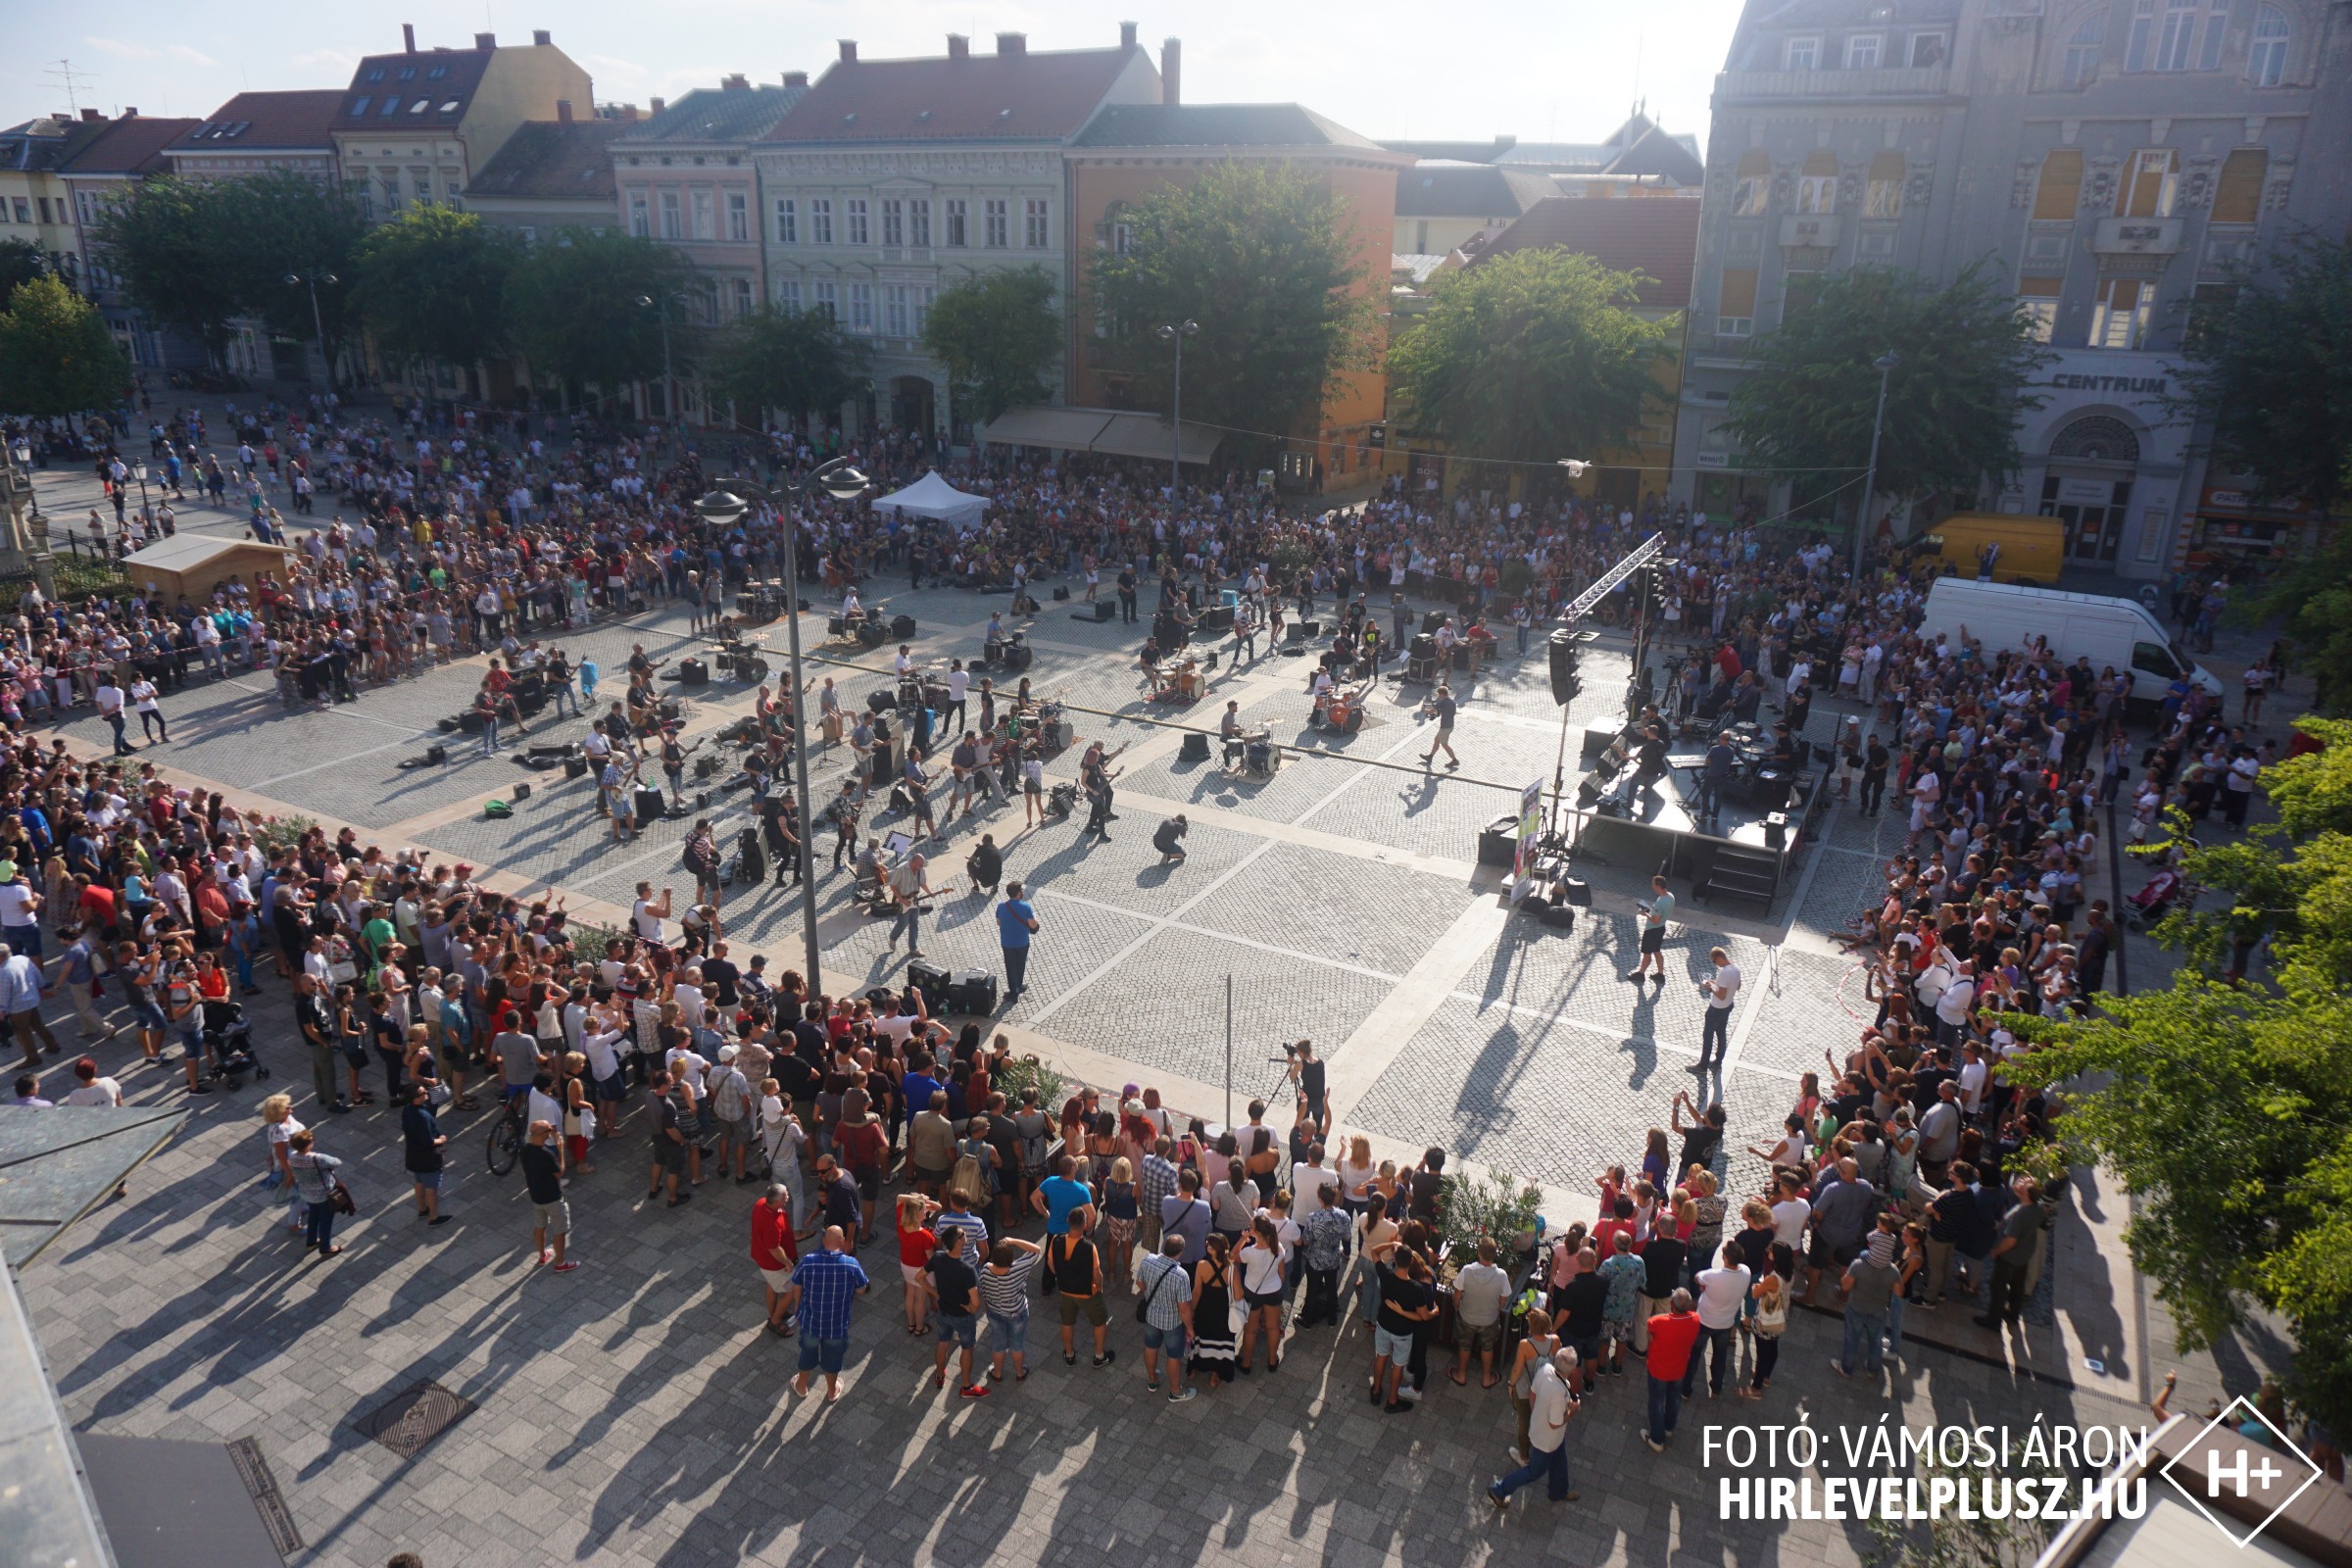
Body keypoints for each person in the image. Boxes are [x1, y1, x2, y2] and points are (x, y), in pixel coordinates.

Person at [1490, 1348, 1582, 1508]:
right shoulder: (1559, 1394)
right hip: (1547, 1441)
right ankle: (1499, 1490)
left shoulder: (1545, 1370)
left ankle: (1558, 1491)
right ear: (1572, 1370)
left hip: (1540, 1430)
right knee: (1533, 1472)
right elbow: (1555, 1423)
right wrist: (1572, 1411)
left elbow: (1533, 1395)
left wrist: (1538, 1414)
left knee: (1560, 1460)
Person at [788, 1225, 871, 1402]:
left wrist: (797, 1305)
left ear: (824, 1240)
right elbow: (862, 1289)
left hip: (811, 1322)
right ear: (842, 1242)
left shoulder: (808, 1261)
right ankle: (832, 1391)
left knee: (807, 1353)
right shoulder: (851, 1264)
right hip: (837, 1325)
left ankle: (801, 1386)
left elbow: (796, 1284)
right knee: (833, 1358)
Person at [1047, 1203, 1114, 1368]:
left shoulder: (1056, 1240)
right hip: (1087, 1293)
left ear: (1068, 1221)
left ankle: (1069, 1354)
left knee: (1067, 1322)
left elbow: (1050, 1263)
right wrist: (1099, 1288)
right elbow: (1097, 1274)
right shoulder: (1089, 1247)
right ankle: (1099, 1356)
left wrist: (1061, 1277)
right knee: (1099, 1322)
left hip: (1065, 1291)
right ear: (1085, 1225)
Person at [924, 1230, 988, 1398]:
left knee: (943, 1342)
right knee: (967, 1348)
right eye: (962, 1234)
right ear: (959, 1242)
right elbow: (975, 1302)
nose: (965, 1234)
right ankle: (966, 1387)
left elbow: (919, 1277)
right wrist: (972, 1310)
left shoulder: (938, 1257)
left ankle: (939, 1375)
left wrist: (935, 1293)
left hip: (944, 1311)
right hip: (963, 1317)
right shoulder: (967, 1269)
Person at [1136, 1235, 1198, 1401]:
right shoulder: (1181, 1275)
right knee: (1173, 1356)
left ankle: (1152, 1380)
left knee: (1150, 1347)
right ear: (1180, 1253)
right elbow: (1184, 1308)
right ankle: (1176, 1391)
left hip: (1151, 1316)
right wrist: (1190, 1329)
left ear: (1163, 1245)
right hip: (1172, 1323)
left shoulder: (1148, 1260)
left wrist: (1151, 1295)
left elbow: (1140, 1283)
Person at [1640, 1288, 1701, 1451]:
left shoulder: (1657, 1321)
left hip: (1658, 1368)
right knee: (1674, 1398)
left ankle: (1656, 1439)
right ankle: (1668, 1428)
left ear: (1671, 1305)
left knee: (1656, 1401)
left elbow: (1650, 1333)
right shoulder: (1695, 1319)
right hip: (1679, 1368)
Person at [1450, 1237, 1512, 1388]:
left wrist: (1457, 1307)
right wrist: (1495, 1310)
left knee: (1464, 1345)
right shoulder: (1501, 1275)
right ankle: (1486, 1378)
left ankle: (1461, 1375)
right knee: (1487, 1347)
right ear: (1495, 1254)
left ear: (1479, 1253)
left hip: (1466, 1316)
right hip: (1489, 1319)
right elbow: (1503, 1300)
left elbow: (1457, 1295)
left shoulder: (1466, 1271)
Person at [521, 1119, 576, 1271]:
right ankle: (560, 1263)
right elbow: (559, 1172)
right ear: (541, 1134)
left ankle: (541, 1255)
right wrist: (561, 1148)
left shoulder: (525, 1149)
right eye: (548, 1129)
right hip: (552, 1198)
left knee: (540, 1226)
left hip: (536, 1196)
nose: (551, 1131)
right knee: (559, 1230)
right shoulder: (546, 1154)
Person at [286, 1128, 344, 1258]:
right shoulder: (317, 1158)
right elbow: (337, 1162)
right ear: (308, 1145)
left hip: (306, 1194)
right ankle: (326, 1248)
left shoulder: (293, 1156)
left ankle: (311, 1241)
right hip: (323, 1195)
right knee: (326, 1221)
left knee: (314, 1216)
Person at [753, 1182, 799, 1336]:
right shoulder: (771, 1222)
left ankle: (775, 1313)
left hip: (763, 1259)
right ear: (777, 1200)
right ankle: (775, 1321)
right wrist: (788, 1263)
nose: (788, 1197)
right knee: (793, 1290)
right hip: (775, 1264)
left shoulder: (761, 1204)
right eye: (785, 1196)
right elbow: (774, 1248)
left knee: (772, 1285)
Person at [402, 1082, 450, 1227]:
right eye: (423, 1093)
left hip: (413, 1156)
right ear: (416, 1098)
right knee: (431, 1187)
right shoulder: (422, 1116)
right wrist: (441, 1140)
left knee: (419, 1182)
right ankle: (433, 1217)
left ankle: (422, 1209)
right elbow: (428, 1141)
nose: (426, 1094)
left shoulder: (407, 1110)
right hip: (428, 1158)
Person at [1690, 946, 1740, 1074]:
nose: (1715, 964)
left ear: (1719, 958)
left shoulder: (1725, 972)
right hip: (1728, 1006)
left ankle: (1703, 1066)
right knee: (1721, 1033)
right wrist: (1716, 982)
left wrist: (1710, 988)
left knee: (1708, 1036)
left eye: (1714, 961)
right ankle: (1718, 1062)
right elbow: (1738, 986)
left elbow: (1721, 995)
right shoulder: (1736, 968)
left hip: (1717, 1008)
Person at [1627, 874, 1675, 984]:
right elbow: (1660, 916)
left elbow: (1655, 920)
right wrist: (1651, 911)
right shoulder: (1670, 896)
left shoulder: (1660, 902)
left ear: (1658, 886)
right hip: (1661, 928)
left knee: (1647, 953)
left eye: (1653, 884)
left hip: (1652, 930)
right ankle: (1660, 974)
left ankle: (1641, 974)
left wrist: (1645, 914)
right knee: (1657, 951)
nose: (1652, 886)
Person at [997, 880, 1037, 1006]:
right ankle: (1016, 989)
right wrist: (1035, 916)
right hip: (1022, 943)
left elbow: (999, 922)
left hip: (1007, 943)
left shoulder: (1001, 906)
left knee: (1010, 967)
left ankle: (1014, 989)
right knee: (1020, 965)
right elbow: (1033, 925)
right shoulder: (1026, 907)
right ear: (1018, 893)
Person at [1420, 683, 1459, 768]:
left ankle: (1454, 760)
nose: (1438, 695)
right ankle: (1430, 757)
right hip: (1450, 725)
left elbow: (1431, 712)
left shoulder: (1442, 703)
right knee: (1436, 740)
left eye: (1439, 694)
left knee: (1444, 744)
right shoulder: (1452, 702)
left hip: (1445, 727)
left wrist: (1424, 710)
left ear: (1442, 694)